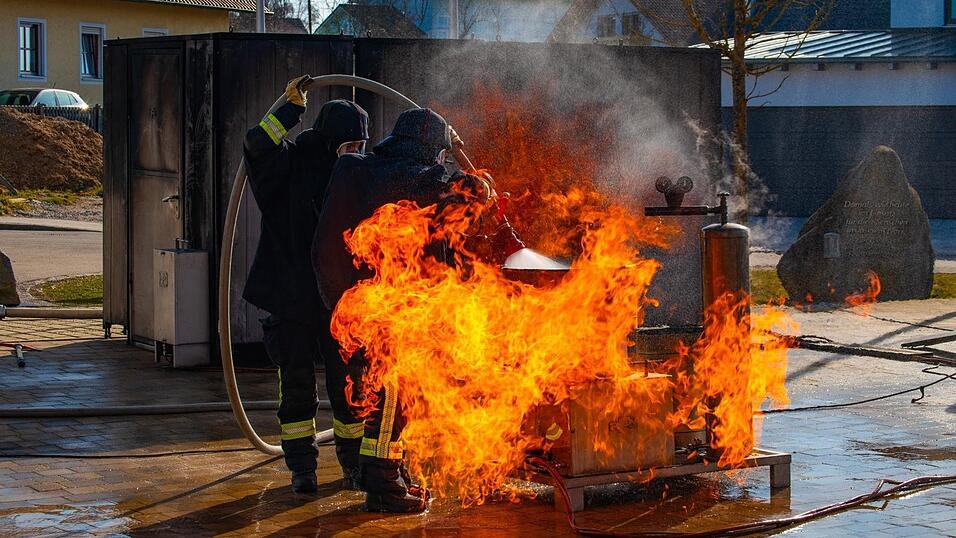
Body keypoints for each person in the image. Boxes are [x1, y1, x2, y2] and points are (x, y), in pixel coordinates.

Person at [312, 108, 522, 512]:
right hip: (387, 307)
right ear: (429, 149)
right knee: (394, 395)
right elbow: (434, 186)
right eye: (439, 155)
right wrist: (475, 185)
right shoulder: (400, 175)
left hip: (368, 304)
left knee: (394, 399)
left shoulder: (370, 171)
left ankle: (392, 473)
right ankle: (383, 486)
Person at [243, 75, 369, 494]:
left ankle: (353, 467)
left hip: (339, 302)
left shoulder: (355, 179)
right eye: (350, 147)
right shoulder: (288, 167)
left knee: (349, 387)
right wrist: (288, 109)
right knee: (296, 388)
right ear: (331, 141)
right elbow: (256, 144)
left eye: (360, 148)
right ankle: (302, 470)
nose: (356, 155)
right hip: (292, 297)